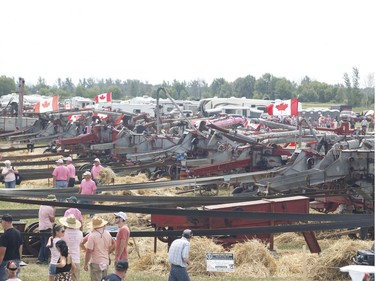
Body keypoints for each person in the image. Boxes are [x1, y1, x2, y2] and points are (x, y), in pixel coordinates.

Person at [84, 216, 115, 281]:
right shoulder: (107, 233)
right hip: (105, 261)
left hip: (96, 261)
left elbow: (89, 251)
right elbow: (114, 244)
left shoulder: (92, 235)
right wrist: (107, 252)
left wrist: (86, 263)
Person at [0, 214, 23, 281]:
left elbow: (2, 253)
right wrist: (19, 260)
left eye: (2, 222)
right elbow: (20, 248)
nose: (1, 224)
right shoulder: (18, 233)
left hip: (6, 262)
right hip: (16, 262)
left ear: (5, 222)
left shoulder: (4, 236)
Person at [60, 215, 83, 281]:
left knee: (65, 278)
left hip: (65, 258)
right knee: (76, 278)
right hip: (76, 258)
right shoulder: (80, 233)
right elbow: (80, 242)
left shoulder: (63, 233)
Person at [37, 194, 57, 264]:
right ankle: (45, 259)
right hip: (48, 227)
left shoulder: (41, 206)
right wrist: (54, 210)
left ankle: (40, 258)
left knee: (43, 244)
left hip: (41, 227)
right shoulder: (50, 209)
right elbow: (52, 220)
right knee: (47, 244)